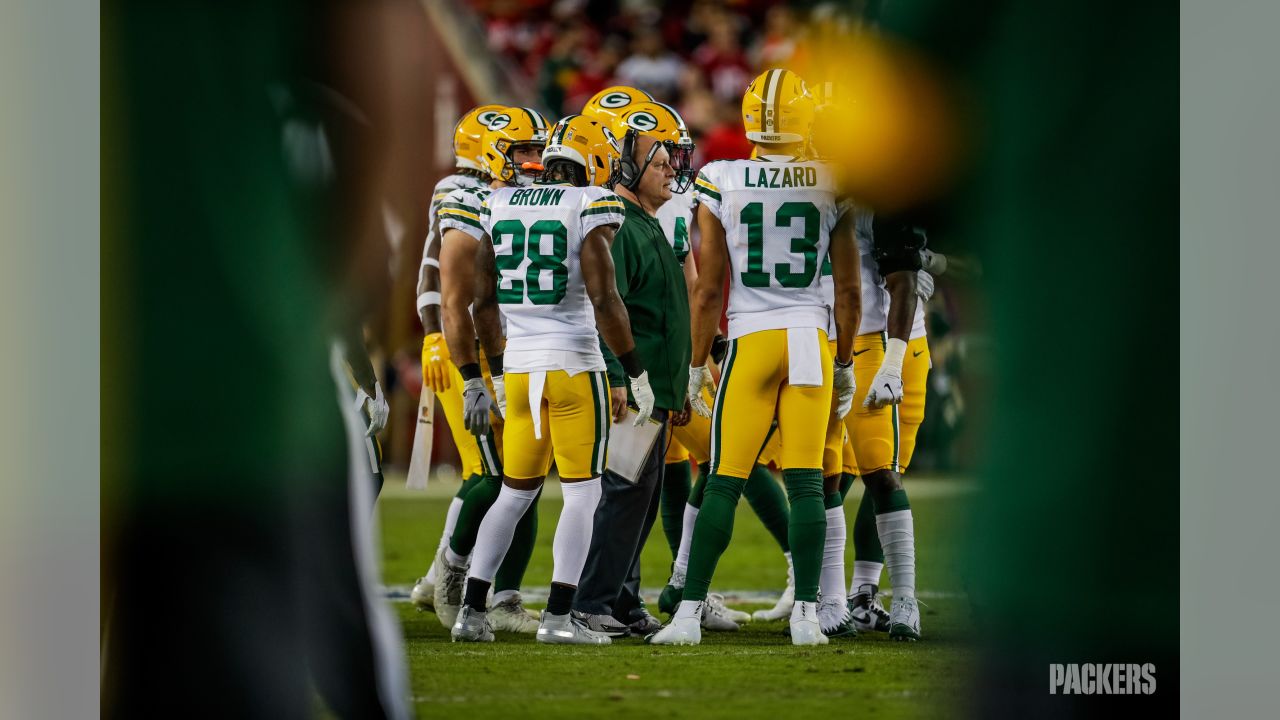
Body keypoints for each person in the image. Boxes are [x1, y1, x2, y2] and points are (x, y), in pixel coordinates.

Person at [647, 69, 860, 647]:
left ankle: (688, 615)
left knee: (723, 479)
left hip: (752, 339)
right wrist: (844, 362)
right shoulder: (830, 179)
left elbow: (708, 288)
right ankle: (808, 619)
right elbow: (848, 290)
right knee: (809, 484)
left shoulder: (722, 179)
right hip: (810, 342)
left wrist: (694, 366)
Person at [447, 114, 656, 644]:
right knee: (583, 495)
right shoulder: (588, 202)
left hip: (520, 369)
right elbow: (606, 299)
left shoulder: (497, 202)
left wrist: (493, 372)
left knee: (514, 495)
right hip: (572, 364)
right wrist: (633, 369)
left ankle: (472, 613)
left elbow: (482, 303)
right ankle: (559, 619)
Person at [417, 108, 555, 634]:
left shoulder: (516, 197)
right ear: (491, 151)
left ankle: (501, 595)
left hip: (518, 352)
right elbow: (446, 285)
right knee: (494, 475)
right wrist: (450, 351)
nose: (535, 161)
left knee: (525, 474)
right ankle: (449, 577)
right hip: (471, 353)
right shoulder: (463, 195)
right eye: (523, 150)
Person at [569, 120, 693, 638]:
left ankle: (621, 601)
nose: (670, 172)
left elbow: (663, 314)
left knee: (641, 502)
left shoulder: (648, 223)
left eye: (670, 163)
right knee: (623, 496)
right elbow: (604, 309)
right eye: (660, 164)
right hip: (634, 388)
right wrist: (620, 376)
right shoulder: (618, 222)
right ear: (627, 167)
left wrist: (680, 383)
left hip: (658, 388)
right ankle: (591, 603)